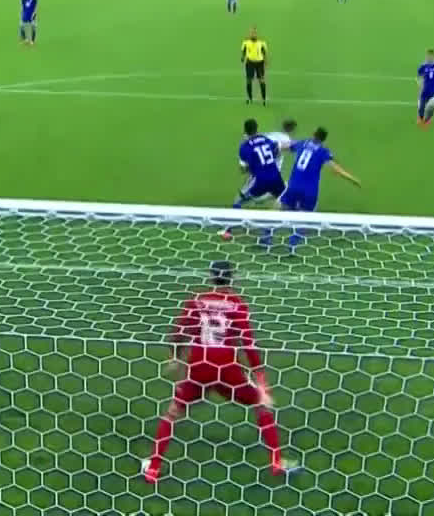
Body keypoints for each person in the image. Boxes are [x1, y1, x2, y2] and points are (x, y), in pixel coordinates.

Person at [141, 261, 297, 484]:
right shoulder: (237, 303)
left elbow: (179, 331)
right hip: (227, 368)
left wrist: (174, 356)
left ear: (211, 276)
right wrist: (262, 382)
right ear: (232, 278)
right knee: (261, 405)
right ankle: (276, 462)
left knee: (172, 413)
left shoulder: (197, 300)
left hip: (199, 367)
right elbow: (248, 343)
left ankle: (153, 469)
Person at [271, 128, 361, 250]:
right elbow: (337, 170)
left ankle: (267, 234)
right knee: (307, 218)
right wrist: (353, 180)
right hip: (309, 191)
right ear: (324, 140)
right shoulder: (323, 151)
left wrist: (273, 148)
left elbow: (284, 146)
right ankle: (292, 244)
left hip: (293, 186)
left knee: (281, 209)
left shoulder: (303, 143)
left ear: (313, 134)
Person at [221, 118, 288, 240]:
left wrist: (252, 166)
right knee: (284, 202)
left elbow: (243, 169)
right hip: (276, 177)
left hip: (260, 181)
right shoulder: (266, 139)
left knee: (238, 201)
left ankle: (228, 230)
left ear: (245, 131)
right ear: (257, 129)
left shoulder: (244, 147)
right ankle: (268, 235)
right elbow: (276, 152)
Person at [241, 27, 268, 105]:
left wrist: (266, 61)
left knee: (262, 81)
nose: (253, 35)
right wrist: (242, 57)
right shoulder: (246, 42)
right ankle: (249, 98)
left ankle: (264, 99)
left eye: (254, 33)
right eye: (251, 33)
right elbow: (244, 51)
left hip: (259, 63)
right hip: (250, 63)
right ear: (249, 34)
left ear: (256, 34)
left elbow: (264, 52)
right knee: (249, 81)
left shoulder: (261, 43)